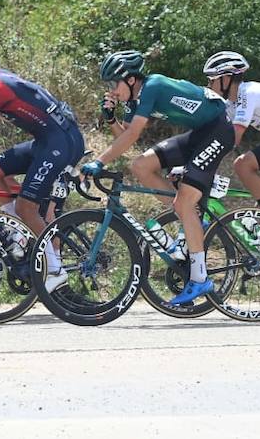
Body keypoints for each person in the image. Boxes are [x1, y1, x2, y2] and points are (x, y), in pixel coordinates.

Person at [85, 50, 233, 305]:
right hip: (199, 133)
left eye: (114, 83)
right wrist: (111, 117)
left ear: (131, 80)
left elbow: (131, 136)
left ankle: (200, 278)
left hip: (219, 130)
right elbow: (127, 135)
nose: (112, 90)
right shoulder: (135, 99)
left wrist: (100, 161)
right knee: (140, 166)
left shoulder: (153, 85)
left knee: (184, 202)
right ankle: (192, 219)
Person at [0, 42, 85, 290]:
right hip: (47, 140)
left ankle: (54, 270)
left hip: (62, 142)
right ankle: (19, 231)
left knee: (27, 207)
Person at [201, 51, 260, 226]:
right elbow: (216, 136)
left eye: (212, 79)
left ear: (226, 78)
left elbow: (234, 138)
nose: (209, 85)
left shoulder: (248, 93)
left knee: (243, 164)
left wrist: (201, 165)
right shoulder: (231, 104)